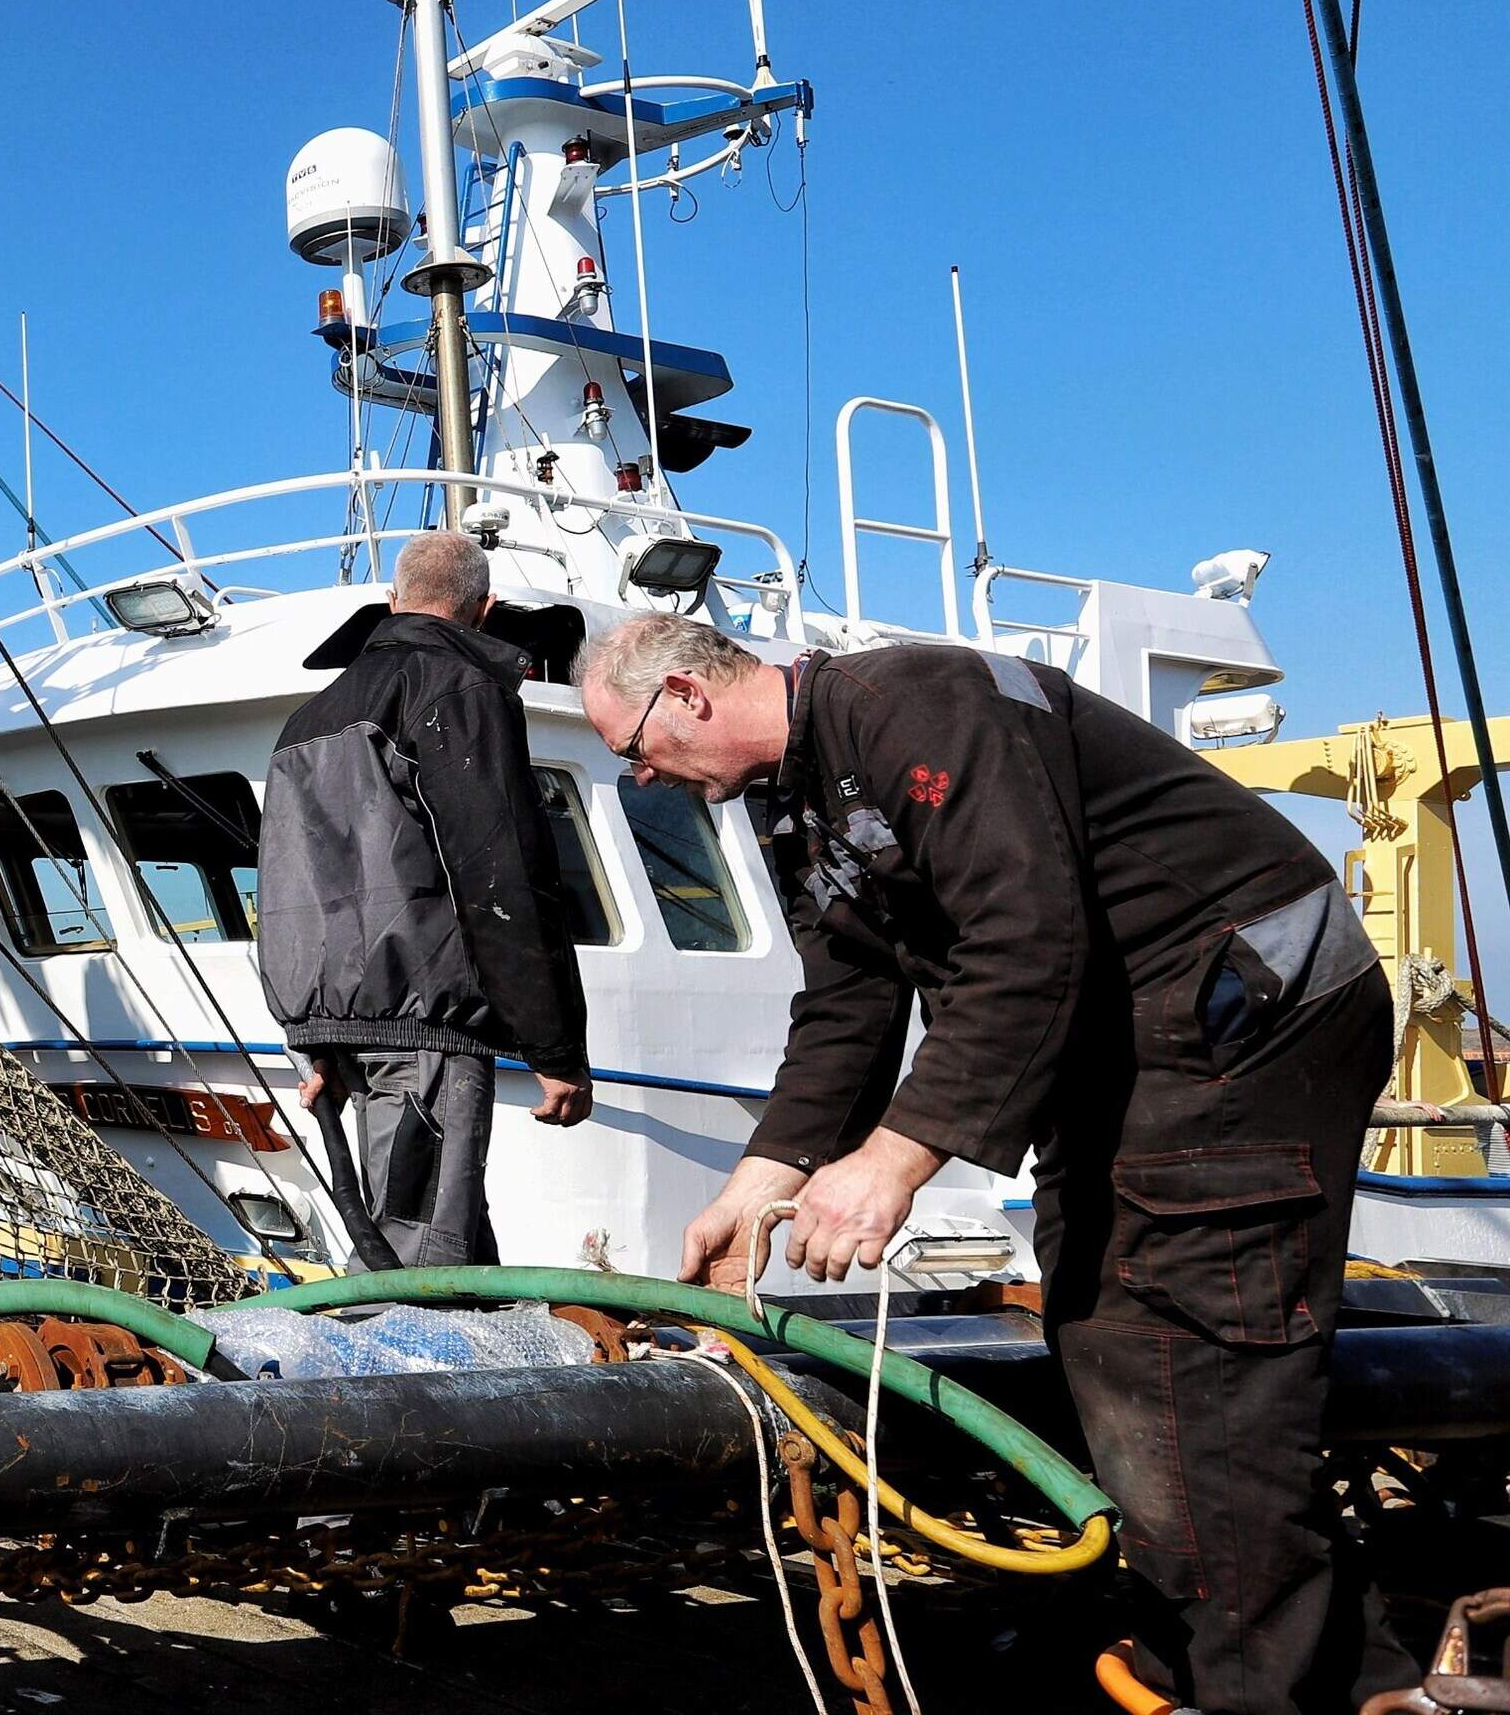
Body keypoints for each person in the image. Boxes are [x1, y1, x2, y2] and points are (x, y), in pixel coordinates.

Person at [578, 612, 1398, 1715]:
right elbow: (851, 995)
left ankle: (1252, 1688)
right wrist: (759, 1181)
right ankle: (1326, 1665)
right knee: (1103, 1324)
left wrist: (892, 1163)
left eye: (632, 746)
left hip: (1247, 1011)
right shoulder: (804, 793)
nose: (639, 773)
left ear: (685, 693)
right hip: (1135, 1041)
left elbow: (1028, 940)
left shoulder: (916, 703)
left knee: (1200, 1353)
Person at [259, 530, 594, 1269]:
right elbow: (500, 870)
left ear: (392, 601)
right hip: (425, 1026)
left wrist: (316, 1036)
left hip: (348, 1026)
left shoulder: (309, 718)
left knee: (425, 1246)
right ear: (486, 607)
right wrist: (556, 1047)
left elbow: (293, 884)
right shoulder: (459, 686)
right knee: (419, 1261)